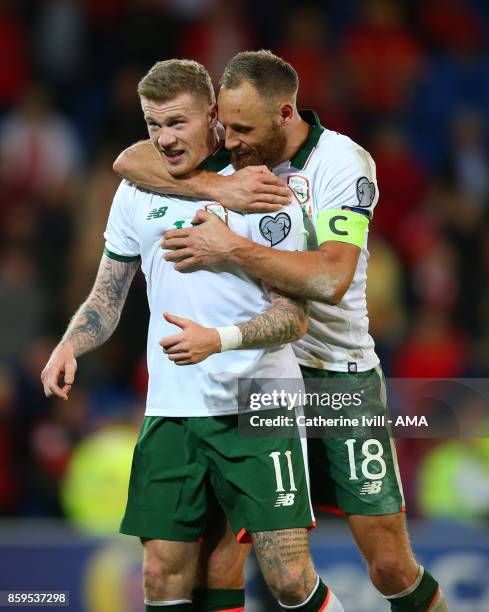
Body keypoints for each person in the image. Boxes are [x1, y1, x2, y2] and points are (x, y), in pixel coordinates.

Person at [114, 50, 449, 611]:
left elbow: (333, 278)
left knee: (389, 564)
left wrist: (233, 247)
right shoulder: (229, 161)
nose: (232, 141)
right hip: (258, 378)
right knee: (248, 564)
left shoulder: (342, 163)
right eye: (226, 125)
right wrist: (215, 190)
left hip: (336, 376)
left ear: (286, 114)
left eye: (243, 129)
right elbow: (129, 161)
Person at [41, 59, 344, 612]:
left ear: (213, 116)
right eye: (154, 125)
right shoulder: (137, 191)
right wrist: (70, 343)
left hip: (260, 401)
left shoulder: (262, 188)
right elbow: (108, 294)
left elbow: (293, 318)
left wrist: (219, 339)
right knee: (162, 574)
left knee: (289, 577)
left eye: (177, 123)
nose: (164, 138)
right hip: (173, 406)